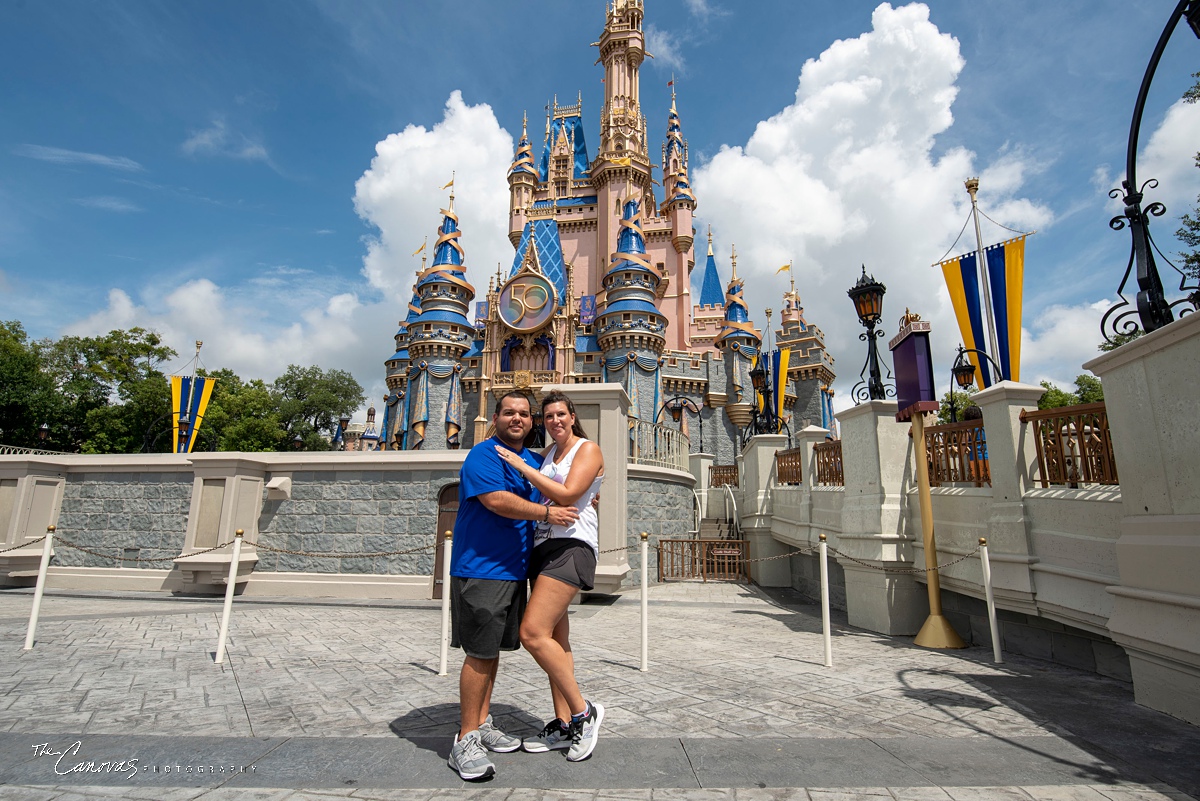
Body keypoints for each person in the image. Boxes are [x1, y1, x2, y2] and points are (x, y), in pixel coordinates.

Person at [446, 391, 581, 781]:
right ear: (496, 417)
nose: (517, 418)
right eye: (509, 412)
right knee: (479, 653)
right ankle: (466, 738)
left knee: (493, 652)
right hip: (483, 568)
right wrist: (547, 511)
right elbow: (496, 499)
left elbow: (562, 487)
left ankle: (483, 722)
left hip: (514, 571)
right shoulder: (483, 455)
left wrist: (584, 495)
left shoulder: (535, 461)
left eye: (524, 413)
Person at [494, 389, 605, 762]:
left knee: (532, 633)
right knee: (556, 639)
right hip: (543, 549)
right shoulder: (548, 456)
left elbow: (570, 494)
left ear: (573, 416)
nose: (554, 420)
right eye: (548, 416)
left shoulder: (586, 449)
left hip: (571, 547)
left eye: (561, 414)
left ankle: (583, 712)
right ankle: (563, 724)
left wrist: (522, 466)